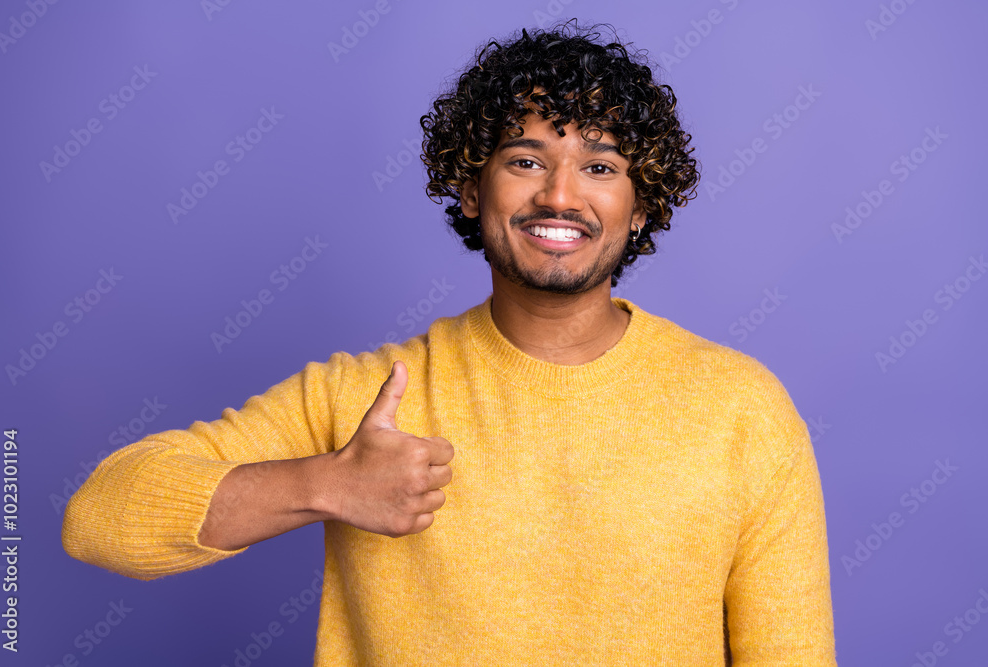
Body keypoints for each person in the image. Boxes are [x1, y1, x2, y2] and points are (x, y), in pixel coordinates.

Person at [63, 21, 838, 665]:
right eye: (526, 159)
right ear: (471, 188)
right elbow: (99, 517)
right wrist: (327, 484)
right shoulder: (368, 397)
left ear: (642, 208)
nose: (560, 195)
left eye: (600, 166)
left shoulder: (742, 408)